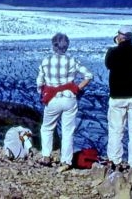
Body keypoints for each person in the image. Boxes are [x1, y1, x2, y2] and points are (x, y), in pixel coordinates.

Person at [36, 33, 93, 172]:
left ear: (53, 45)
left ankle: (46, 156)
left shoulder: (45, 61)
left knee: (47, 127)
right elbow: (89, 76)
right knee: (68, 131)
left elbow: (39, 83)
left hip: (52, 99)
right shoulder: (72, 61)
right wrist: (76, 89)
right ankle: (66, 161)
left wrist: (43, 93)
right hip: (69, 98)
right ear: (66, 46)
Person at [105, 25, 132, 171]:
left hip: (117, 96)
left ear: (119, 37)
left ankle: (114, 160)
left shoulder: (112, 52)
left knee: (116, 129)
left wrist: (117, 45)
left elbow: (108, 64)